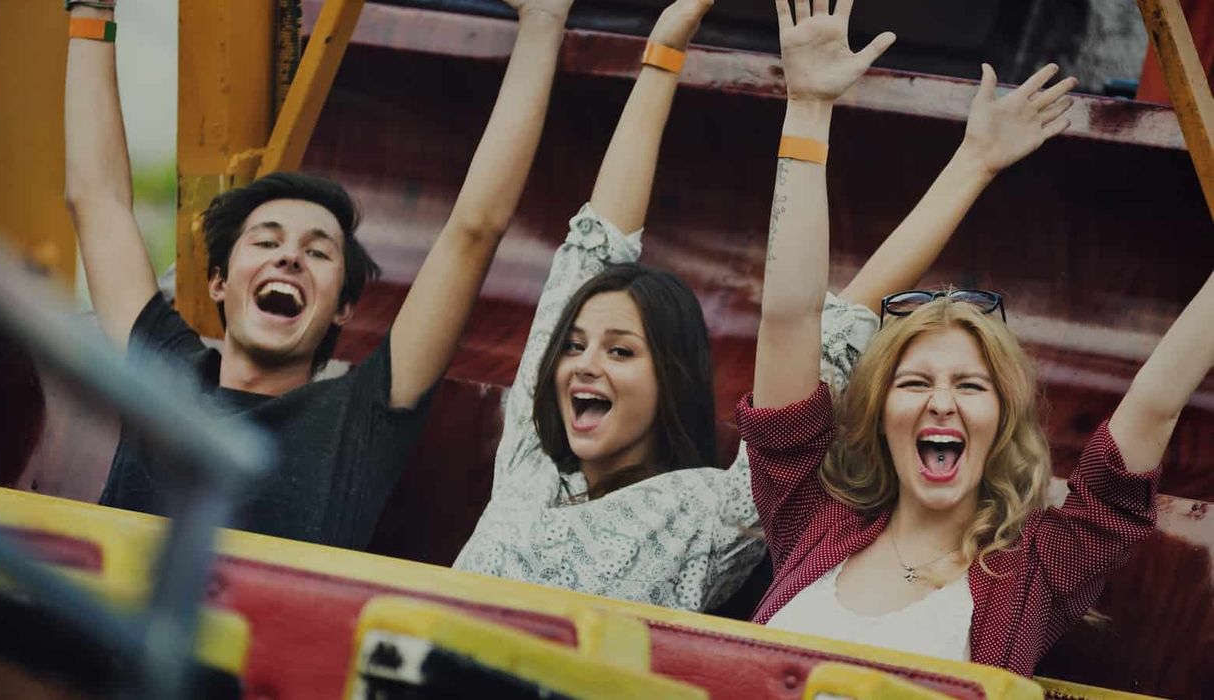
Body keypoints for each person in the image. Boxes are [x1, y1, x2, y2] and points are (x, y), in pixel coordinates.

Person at [454, 0, 1075, 612]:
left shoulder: (713, 511)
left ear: (672, 379)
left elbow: (822, 322)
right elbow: (593, 250)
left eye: (620, 350)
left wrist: (973, 164)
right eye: (574, 347)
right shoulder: (530, 457)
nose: (585, 363)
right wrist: (666, 48)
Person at [742, 0, 1209, 676]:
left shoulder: (1037, 570)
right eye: (913, 382)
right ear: (878, 418)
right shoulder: (811, 516)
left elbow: (1154, 403)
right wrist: (808, 109)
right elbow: (788, 319)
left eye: (968, 385)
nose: (939, 402)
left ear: (1000, 420)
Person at [62, 0, 575, 549]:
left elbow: (475, 230)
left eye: (318, 252)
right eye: (265, 241)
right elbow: (96, 200)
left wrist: (543, 23)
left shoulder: (359, 418)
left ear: (342, 308)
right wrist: (91, 12)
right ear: (219, 282)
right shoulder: (163, 372)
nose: (288, 257)